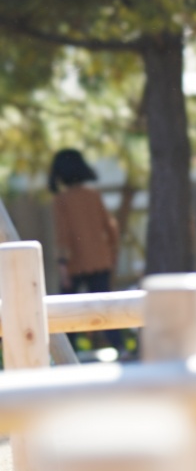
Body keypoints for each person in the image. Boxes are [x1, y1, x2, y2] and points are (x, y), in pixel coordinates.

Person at [48, 148, 123, 353]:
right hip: (101, 261)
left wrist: (63, 268)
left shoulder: (62, 201)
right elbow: (111, 228)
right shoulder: (94, 195)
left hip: (75, 265)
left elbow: (63, 236)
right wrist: (111, 254)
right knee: (106, 307)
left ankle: (67, 355)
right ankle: (122, 349)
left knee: (66, 311)